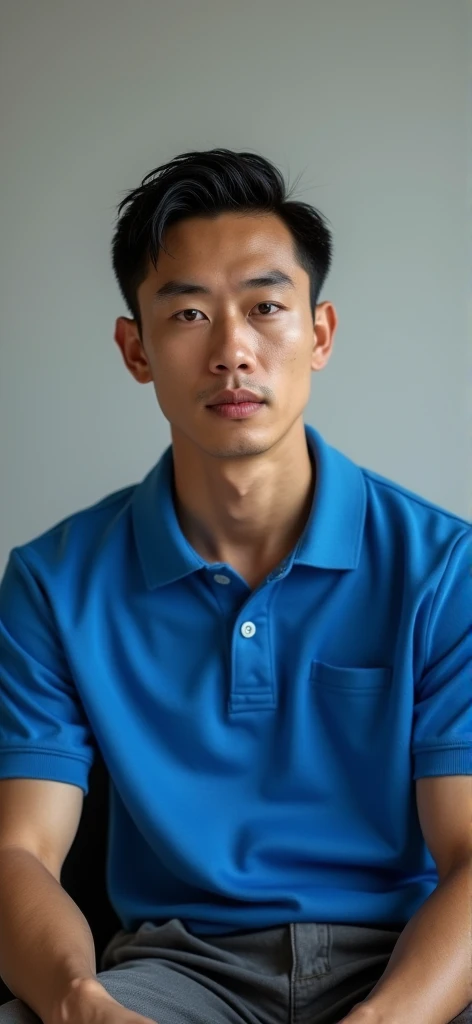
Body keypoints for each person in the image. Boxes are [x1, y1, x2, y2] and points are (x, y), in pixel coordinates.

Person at [0, 148, 470, 1024]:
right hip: (181, 975)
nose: (232, 351)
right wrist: (78, 1003)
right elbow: (18, 851)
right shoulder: (52, 583)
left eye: (265, 308)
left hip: (404, 968)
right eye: (188, 313)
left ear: (320, 333)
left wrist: (383, 1022)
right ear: (135, 348)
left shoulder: (445, 568)